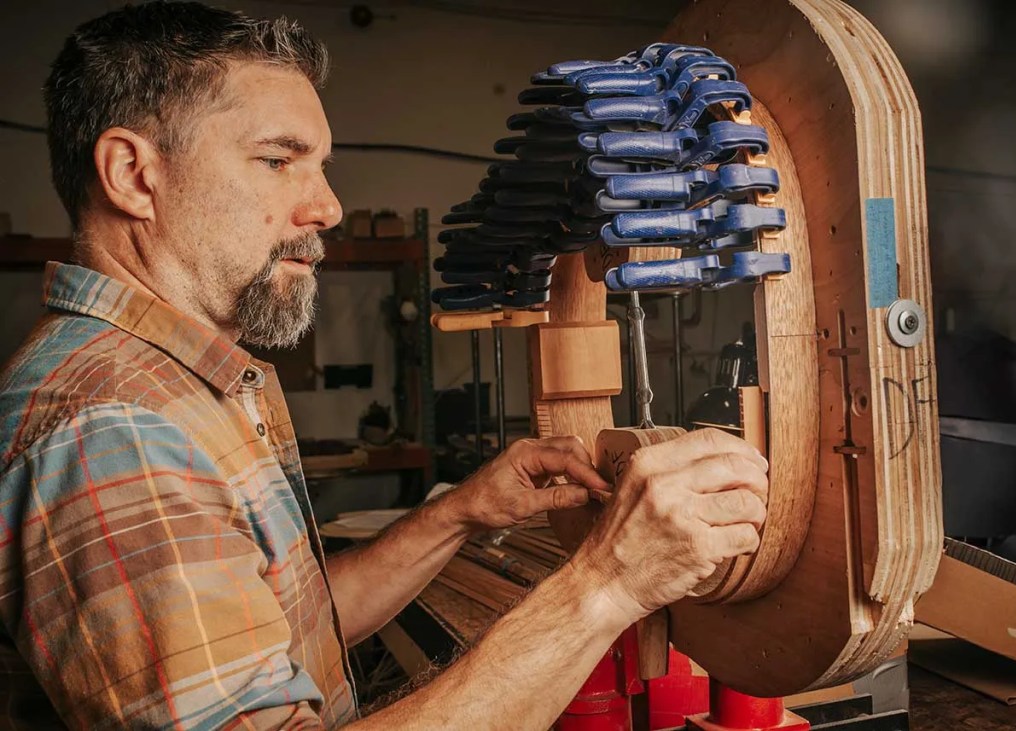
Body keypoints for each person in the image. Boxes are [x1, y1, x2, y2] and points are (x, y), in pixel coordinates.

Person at [0, 2, 769, 728]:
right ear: (134, 175)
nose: (328, 207)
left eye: (321, 166)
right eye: (277, 161)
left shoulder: (176, 384)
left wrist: (459, 512)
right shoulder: (116, 431)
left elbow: (281, 630)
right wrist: (609, 582)